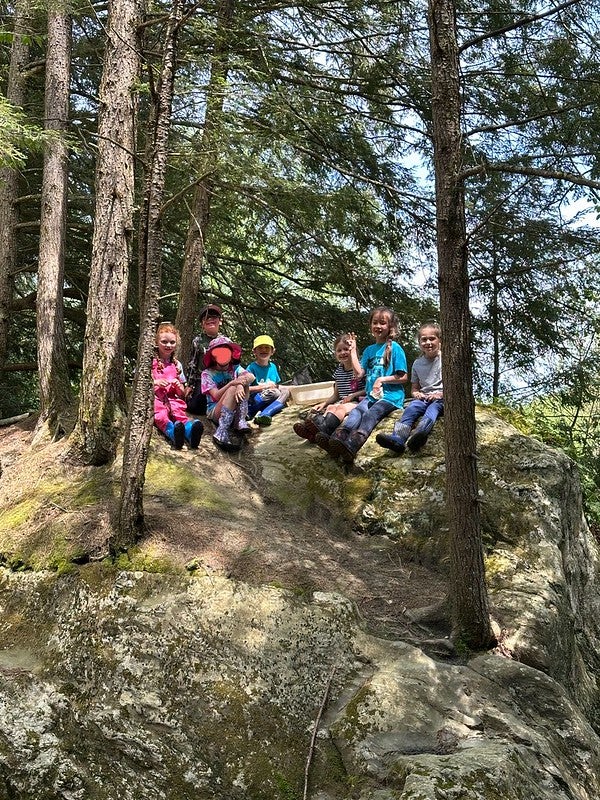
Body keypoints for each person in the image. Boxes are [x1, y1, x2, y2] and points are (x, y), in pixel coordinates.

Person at [318, 307, 407, 463]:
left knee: (370, 414)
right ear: (370, 325)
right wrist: (352, 352)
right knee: (356, 412)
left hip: (391, 396)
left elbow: (403, 377)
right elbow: (359, 374)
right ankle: (338, 439)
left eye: (382, 323)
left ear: (390, 326)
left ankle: (352, 445)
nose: (378, 326)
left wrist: (382, 380)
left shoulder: (395, 348)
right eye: (375, 323)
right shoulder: (368, 350)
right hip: (371, 396)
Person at [376, 322, 443, 455]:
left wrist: (440, 394)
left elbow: (454, 387)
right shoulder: (418, 363)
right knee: (411, 409)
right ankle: (398, 439)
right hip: (424, 397)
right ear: (419, 343)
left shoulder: (445, 359)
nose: (428, 342)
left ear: (439, 340)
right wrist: (417, 394)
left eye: (432, 339)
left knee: (432, 410)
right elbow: (414, 388)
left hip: (441, 399)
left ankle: (419, 434)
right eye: (424, 339)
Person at [293, 332, 365, 443]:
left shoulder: (359, 368)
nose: (343, 353)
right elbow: (336, 394)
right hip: (342, 401)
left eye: (346, 349)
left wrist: (353, 395)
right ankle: (313, 434)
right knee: (331, 407)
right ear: (335, 354)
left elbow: (368, 389)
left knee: (341, 409)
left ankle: (325, 430)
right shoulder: (339, 370)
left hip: (356, 401)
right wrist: (324, 404)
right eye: (339, 350)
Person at [152, 323, 203, 450]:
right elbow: (138, 383)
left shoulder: (177, 364)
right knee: (160, 414)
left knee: (178, 412)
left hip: (172, 398)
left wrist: (178, 386)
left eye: (172, 342)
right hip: (156, 398)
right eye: (164, 342)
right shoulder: (149, 361)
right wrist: (155, 383)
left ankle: (191, 432)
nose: (168, 345)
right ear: (156, 342)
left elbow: (181, 393)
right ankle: (173, 433)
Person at [200, 335, 255, 452]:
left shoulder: (235, 368)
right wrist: (233, 384)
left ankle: (240, 420)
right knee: (232, 388)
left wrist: (240, 384)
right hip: (215, 410)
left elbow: (251, 376)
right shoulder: (207, 373)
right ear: (213, 357)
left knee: (244, 383)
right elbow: (215, 395)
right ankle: (221, 431)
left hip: (235, 408)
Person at [186, 303, 224, 415]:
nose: (210, 319)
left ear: (220, 321)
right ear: (202, 323)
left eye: (214, 317)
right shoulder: (197, 341)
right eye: (206, 317)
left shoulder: (225, 341)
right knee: (195, 407)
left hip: (220, 380)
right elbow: (192, 364)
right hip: (201, 380)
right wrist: (190, 385)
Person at [246, 335, 291, 426]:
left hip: (269, 397)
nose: (264, 350)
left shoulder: (273, 367)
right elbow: (246, 389)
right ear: (254, 351)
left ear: (272, 351)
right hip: (255, 399)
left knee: (285, 392)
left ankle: (265, 414)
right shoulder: (251, 368)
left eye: (267, 347)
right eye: (260, 348)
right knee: (275, 393)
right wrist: (264, 387)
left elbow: (276, 385)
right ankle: (250, 411)